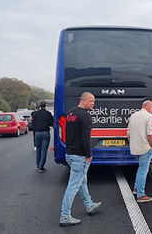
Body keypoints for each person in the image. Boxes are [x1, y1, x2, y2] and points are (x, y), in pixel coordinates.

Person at [60, 92, 101, 227]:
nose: (93, 104)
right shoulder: (85, 116)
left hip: (71, 153)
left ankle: (89, 205)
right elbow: (85, 138)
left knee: (82, 181)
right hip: (80, 156)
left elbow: (68, 134)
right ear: (84, 101)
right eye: (91, 101)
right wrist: (89, 155)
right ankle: (65, 216)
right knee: (73, 186)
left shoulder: (71, 114)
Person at [127, 100, 152, 203]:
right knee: (143, 171)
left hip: (135, 148)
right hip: (145, 148)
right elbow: (150, 134)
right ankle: (141, 195)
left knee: (140, 169)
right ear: (149, 107)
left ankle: (136, 188)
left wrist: (132, 145)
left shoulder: (133, 116)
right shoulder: (149, 117)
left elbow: (128, 134)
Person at [32, 100, 54, 173]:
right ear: (46, 105)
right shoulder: (48, 114)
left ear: (39, 105)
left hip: (37, 133)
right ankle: (41, 167)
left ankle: (38, 165)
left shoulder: (35, 114)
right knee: (44, 150)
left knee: (38, 149)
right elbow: (52, 123)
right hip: (45, 133)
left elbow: (33, 123)